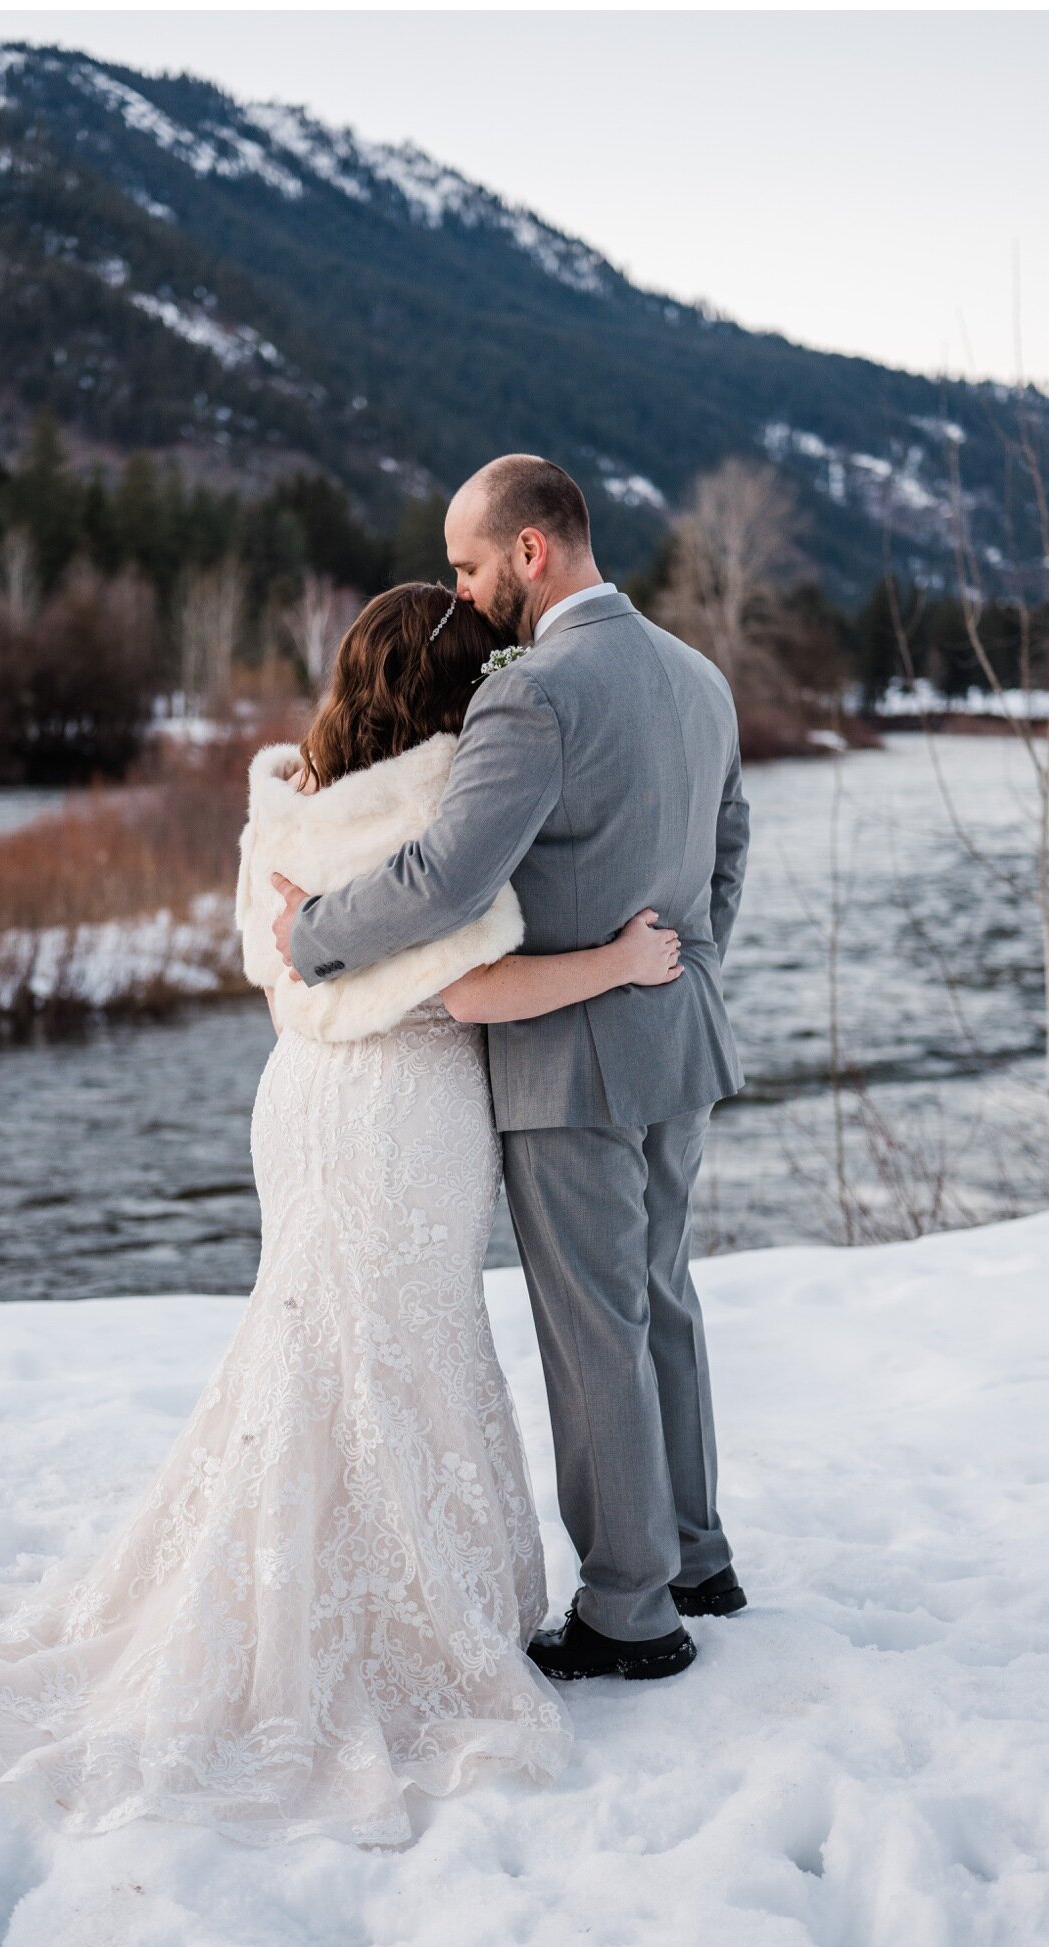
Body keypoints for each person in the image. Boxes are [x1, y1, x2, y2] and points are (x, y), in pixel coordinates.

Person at [0, 581, 687, 1847]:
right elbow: (470, 990)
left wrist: (341, 992)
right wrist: (619, 962)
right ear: (456, 698)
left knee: (309, 1337)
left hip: (306, 1096)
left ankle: (267, 1591)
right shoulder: (435, 812)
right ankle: (400, 1623)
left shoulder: (289, 804)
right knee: (401, 1345)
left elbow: (279, 977)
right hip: (410, 1111)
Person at [273, 455, 751, 1685]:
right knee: (662, 1298)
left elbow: (446, 880)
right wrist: (687, 968)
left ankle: (631, 1607)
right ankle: (698, 1552)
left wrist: (314, 930)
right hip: (676, 1032)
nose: (464, 589)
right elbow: (728, 849)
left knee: (596, 1327)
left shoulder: (534, 693)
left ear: (532, 552)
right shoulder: (699, 677)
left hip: (567, 1059)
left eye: (473, 565)